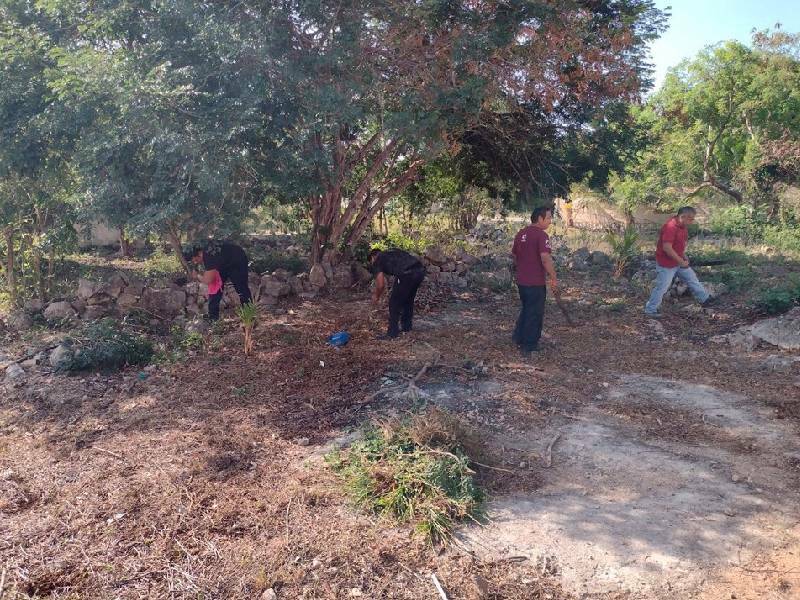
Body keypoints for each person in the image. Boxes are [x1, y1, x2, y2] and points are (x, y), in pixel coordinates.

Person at [644, 206, 713, 318]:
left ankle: (705, 300)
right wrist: (681, 261)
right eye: (691, 219)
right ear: (683, 216)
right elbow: (667, 248)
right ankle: (650, 310)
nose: (692, 221)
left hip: (678, 261)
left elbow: (679, 246)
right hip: (666, 264)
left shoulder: (683, 227)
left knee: (692, 279)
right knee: (662, 287)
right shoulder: (670, 227)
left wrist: (684, 256)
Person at [512, 206, 558, 356]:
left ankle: (519, 337)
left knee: (527, 308)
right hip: (535, 282)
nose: (550, 221)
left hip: (521, 281)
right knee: (535, 313)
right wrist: (553, 277)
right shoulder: (542, 236)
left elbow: (515, 255)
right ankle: (529, 345)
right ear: (540, 218)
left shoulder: (521, 233)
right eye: (548, 218)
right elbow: (545, 258)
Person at [184, 241, 252, 321]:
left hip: (237, 261)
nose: (195, 262)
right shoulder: (207, 253)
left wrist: (197, 276)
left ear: (199, 254)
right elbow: (212, 280)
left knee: (241, 288)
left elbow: (207, 280)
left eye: (195, 260)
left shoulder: (209, 256)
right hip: (223, 264)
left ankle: (249, 315)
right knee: (215, 287)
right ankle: (213, 317)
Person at [369, 248, 426, 340]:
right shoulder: (392, 251)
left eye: (371, 261)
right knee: (408, 300)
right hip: (420, 271)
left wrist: (376, 296)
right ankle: (407, 327)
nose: (372, 263)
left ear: (373, 257)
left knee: (394, 303)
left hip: (406, 274)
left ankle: (392, 333)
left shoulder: (378, 260)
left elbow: (380, 285)